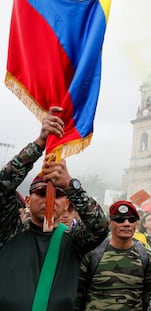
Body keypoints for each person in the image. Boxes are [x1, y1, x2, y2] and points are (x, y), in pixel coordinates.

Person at [0, 107, 109, 311]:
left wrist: (70, 184)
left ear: (67, 203)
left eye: (59, 195)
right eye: (40, 193)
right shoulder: (9, 230)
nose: (48, 200)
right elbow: (3, 185)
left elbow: (100, 227)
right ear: (28, 200)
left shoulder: (72, 239)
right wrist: (39, 143)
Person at [75, 200, 151, 311]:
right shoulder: (92, 255)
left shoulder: (147, 257)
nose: (126, 224)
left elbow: (150, 298)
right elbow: (77, 297)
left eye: (131, 220)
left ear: (136, 223)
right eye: (120, 220)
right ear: (110, 223)